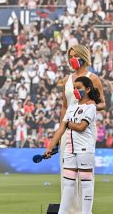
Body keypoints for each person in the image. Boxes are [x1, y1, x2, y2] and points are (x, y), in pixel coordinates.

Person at [45, 76, 101, 214]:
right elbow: (60, 129)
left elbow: (81, 127)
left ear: (88, 89)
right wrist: (50, 147)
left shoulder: (91, 106)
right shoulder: (72, 106)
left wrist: (67, 123)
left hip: (84, 150)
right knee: (68, 183)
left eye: (79, 88)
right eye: (75, 88)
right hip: (69, 149)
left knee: (86, 183)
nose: (76, 90)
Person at [60, 44, 105, 213]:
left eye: (75, 55)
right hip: (68, 128)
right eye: (70, 56)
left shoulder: (92, 78)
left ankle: (85, 211)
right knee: (68, 175)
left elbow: (102, 103)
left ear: (83, 56)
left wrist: (90, 105)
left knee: (85, 175)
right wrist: (61, 128)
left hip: (85, 128)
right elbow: (64, 107)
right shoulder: (66, 80)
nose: (72, 59)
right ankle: (70, 210)